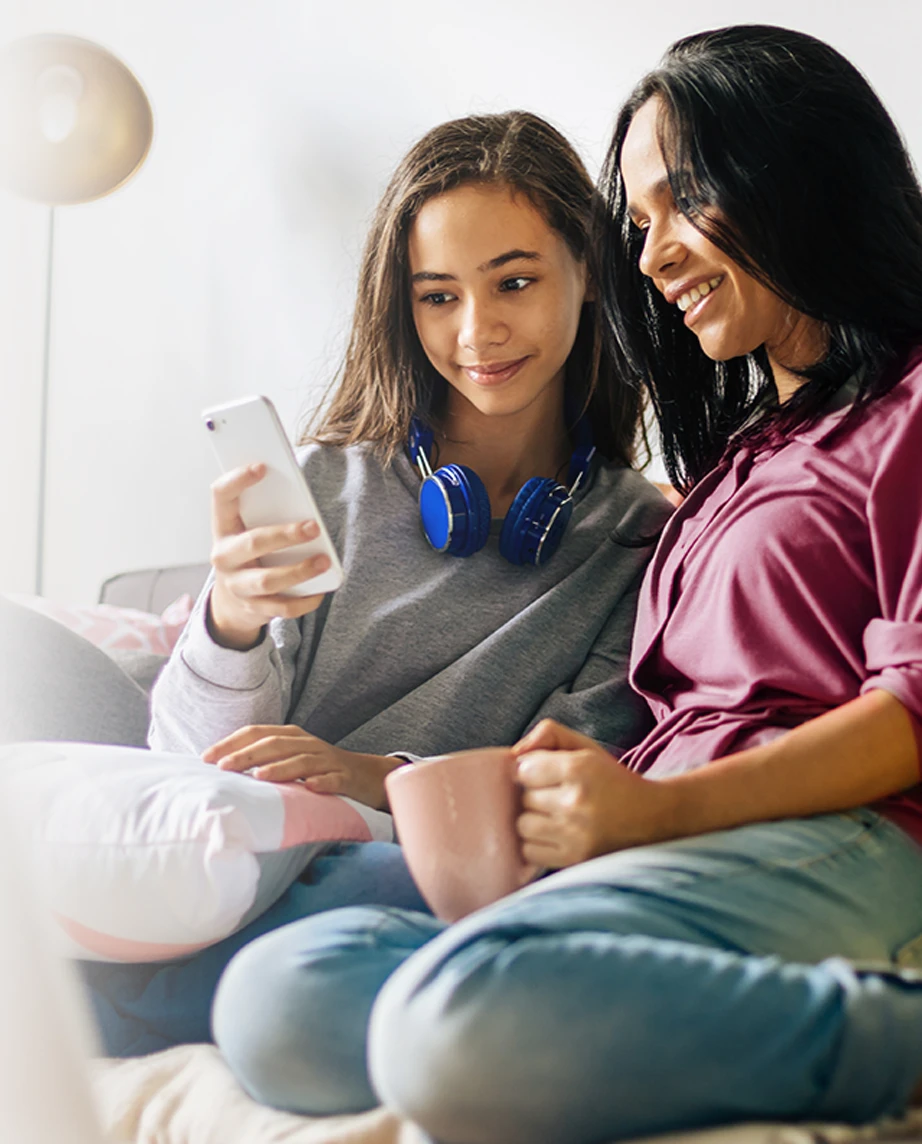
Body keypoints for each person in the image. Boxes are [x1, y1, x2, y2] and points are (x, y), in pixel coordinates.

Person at [209, 25, 922, 1143]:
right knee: (280, 999)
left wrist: (653, 810)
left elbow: (913, 713)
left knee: (445, 1028)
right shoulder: (736, 463)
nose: (652, 257)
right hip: (660, 841)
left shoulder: (908, 409)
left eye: (680, 203)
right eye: (637, 225)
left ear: (796, 169)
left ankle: (891, 1033)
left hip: (828, 831)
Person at [79, 110, 669, 1056]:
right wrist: (229, 626)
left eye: (514, 281)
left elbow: (568, 783)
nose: (477, 332)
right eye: (438, 297)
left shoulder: (644, 543)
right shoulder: (325, 480)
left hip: (386, 873)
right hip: (226, 842)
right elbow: (198, 765)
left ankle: (94, 996)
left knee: (325, 947)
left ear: (588, 270)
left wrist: (374, 782)